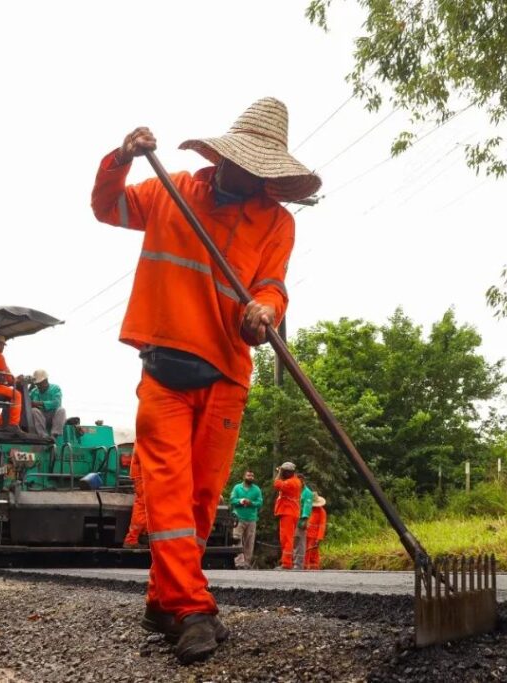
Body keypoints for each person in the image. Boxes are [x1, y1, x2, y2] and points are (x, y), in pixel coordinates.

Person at [90, 97, 320, 664]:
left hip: (226, 374)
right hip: (164, 371)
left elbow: (273, 284)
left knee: (198, 500)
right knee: (166, 491)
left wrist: (262, 310)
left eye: (262, 169)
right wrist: (120, 157)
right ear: (223, 156)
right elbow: (107, 205)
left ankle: (160, 602)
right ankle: (192, 608)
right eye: (244, 162)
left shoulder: (276, 222)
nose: (250, 176)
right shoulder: (173, 192)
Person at [229, 470, 262, 568]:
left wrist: (251, 503)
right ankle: (238, 563)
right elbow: (232, 500)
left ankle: (247, 563)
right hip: (238, 518)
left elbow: (260, 502)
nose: (250, 477)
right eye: (248, 475)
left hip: (251, 519)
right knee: (236, 540)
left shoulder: (256, 489)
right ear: (244, 476)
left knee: (249, 541)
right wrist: (241, 501)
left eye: (252, 476)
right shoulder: (237, 488)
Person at [273, 462, 302, 569]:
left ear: (288, 472)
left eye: (283, 471)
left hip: (288, 513)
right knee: (285, 538)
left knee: (287, 538)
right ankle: (285, 562)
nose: (282, 473)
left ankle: (286, 563)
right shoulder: (293, 481)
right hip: (288, 512)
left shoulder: (292, 482)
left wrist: (279, 473)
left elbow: (276, 484)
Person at [29, 369, 68, 437]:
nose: (39, 386)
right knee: (34, 410)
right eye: (37, 384)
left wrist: (40, 403)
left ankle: (55, 434)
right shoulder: (34, 391)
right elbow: (26, 402)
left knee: (61, 410)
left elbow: (57, 403)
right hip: (40, 418)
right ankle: (43, 436)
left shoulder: (55, 388)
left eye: (40, 384)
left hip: (54, 416)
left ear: (46, 380)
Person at [122, 449, 148, 548]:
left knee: (146, 506)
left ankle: (144, 535)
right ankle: (131, 539)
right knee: (143, 505)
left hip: (144, 472)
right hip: (144, 474)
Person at [292, 473, 314, 570]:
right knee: (293, 541)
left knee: (300, 541)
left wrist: (304, 519)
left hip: (301, 519)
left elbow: (307, 506)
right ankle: (292, 562)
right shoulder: (295, 491)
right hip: (292, 518)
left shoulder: (307, 492)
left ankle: (298, 564)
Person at [304, 495, 327, 570]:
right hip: (306, 534)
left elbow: (322, 526)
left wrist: (319, 538)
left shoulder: (322, 512)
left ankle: (314, 567)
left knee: (312, 552)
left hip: (314, 535)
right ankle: (305, 566)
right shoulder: (309, 509)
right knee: (306, 551)